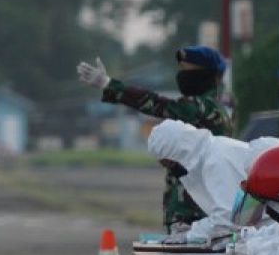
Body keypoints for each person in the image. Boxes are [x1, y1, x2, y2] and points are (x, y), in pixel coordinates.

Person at [78, 46, 232, 230]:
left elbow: (156, 104)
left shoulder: (202, 108)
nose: (182, 76)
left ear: (207, 75)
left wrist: (108, 84)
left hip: (195, 213)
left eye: (188, 71)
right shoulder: (213, 107)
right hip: (194, 208)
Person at [146, 119, 279, 244]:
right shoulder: (207, 155)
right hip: (262, 233)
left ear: (179, 153)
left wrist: (191, 234)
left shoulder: (215, 160)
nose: (172, 170)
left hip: (271, 233)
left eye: (169, 164)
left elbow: (228, 218)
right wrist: (195, 229)